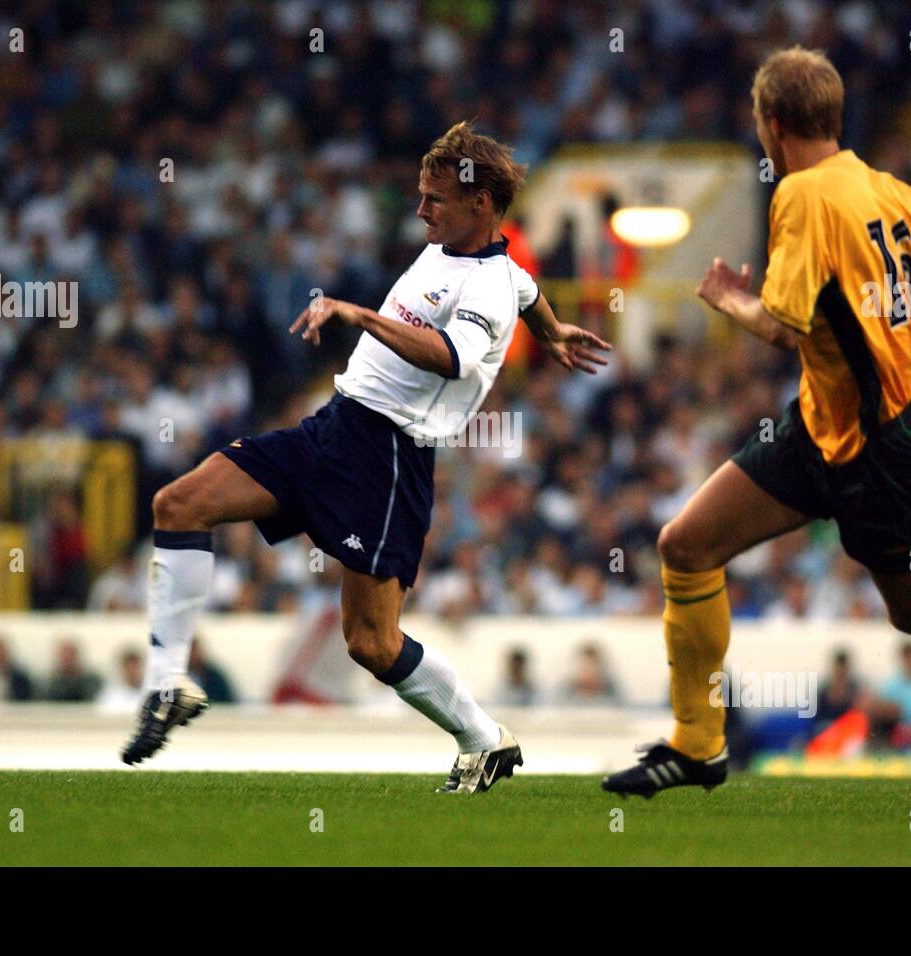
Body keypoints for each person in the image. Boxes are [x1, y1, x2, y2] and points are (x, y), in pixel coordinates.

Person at [603, 47, 911, 813]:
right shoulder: (883, 188)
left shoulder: (802, 195)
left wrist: (726, 301)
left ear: (773, 124)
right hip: (818, 430)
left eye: (759, 124)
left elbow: (785, 328)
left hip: (886, 448)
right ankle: (697, 745)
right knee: (685, 545)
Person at [122, 121, 611, 793]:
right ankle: (166, 684)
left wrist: (361, 315)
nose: (421, 211)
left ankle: (482, 738)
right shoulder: (473, 260)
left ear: (479, 203)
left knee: (371, 643)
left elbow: (451, 355)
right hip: (334, 427)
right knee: (178, 504)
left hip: (388, 459)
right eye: (422, 196)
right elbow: (529, 290)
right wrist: (553, 332)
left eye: (434, 199)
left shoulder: (489, 285)